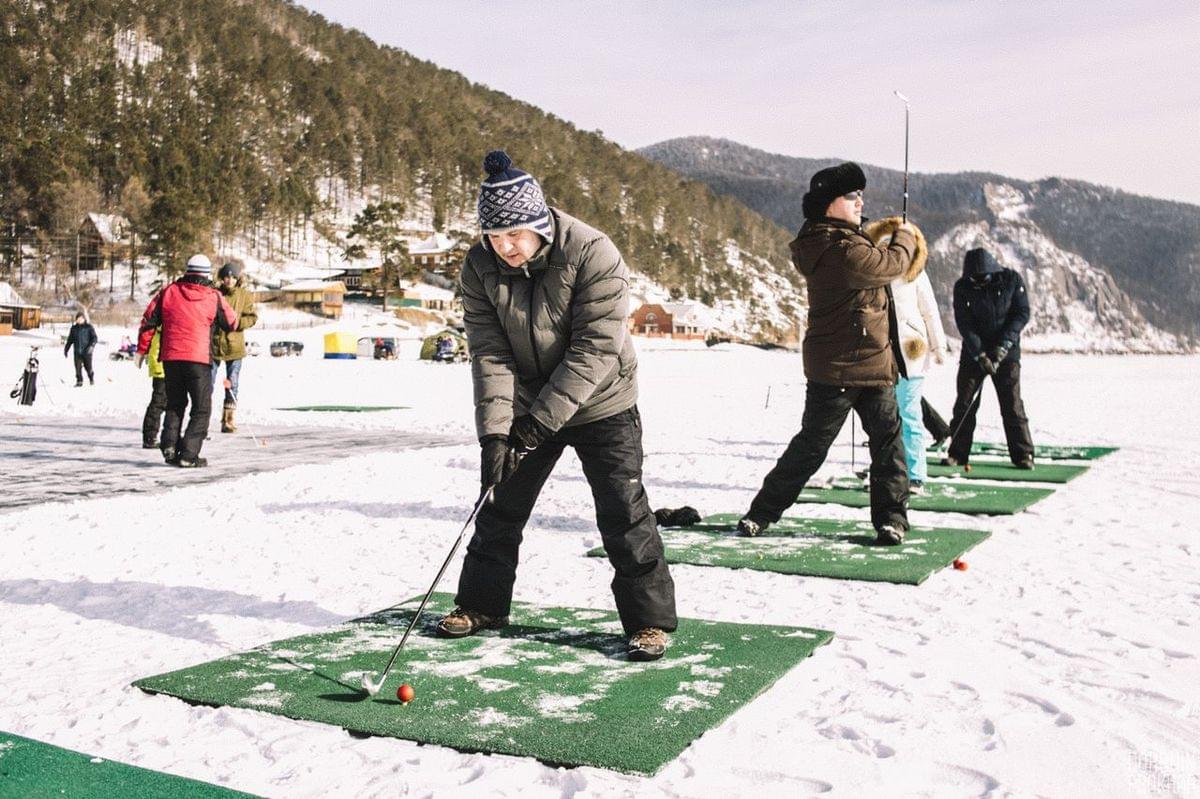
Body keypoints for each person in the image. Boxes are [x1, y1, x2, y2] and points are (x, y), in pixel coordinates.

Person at [437, 150, 677, 662]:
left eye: (516, 235)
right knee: (500, 502)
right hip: (526, 404)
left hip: (602, 401)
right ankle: (482, 604)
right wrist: (497, 434)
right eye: (495, 237)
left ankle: (649, 623)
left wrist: (536, 426)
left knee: (622, 510)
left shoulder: (593, 252)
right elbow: (490, 351)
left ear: (541, 225)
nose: (505, 248)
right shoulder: (480, 266)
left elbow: (595, 349)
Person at [736, 162, 917, 545]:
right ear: (829, 203)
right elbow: (892, 265)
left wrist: (879, 233)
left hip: (862, 362)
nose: (859, 201)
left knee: (878, 447)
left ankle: (891, 521)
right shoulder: (840, 249)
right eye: (851, 195)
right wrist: (904, 237)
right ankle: (761, 514)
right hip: (848, 366)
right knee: (817, 448)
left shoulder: (828, 240)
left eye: (860, 194)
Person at [864, 216, 947, 493]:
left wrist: (938, 346)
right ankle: (888, 470)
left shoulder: (915, 275)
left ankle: (915, 474)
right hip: (880, 353)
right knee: (884, 417)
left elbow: (930, 310)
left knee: (909, 414)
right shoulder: (871, 275)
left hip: (911, 353)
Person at [136, 254, 236, 467]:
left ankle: (170, 447)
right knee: (201, 408)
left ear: (187, 270)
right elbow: (231, 322)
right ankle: (188, 454)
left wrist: (142, 350)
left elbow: (148, 321)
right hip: (198, 359)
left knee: (175, 404)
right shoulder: (213, 296)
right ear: (207, 274)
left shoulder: (168, 292)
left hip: (171, 358)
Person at [945, 247, 1034, 468]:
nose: (979, 282)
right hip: (974, 354)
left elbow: (1021, 313)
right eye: (975, 279)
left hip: (1007, 353)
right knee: (965, 404)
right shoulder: (962, 287)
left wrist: (1003, 346)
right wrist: (980, 354)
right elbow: (964, 323)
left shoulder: (1011, 280)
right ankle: (957, 453)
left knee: (1012, 404)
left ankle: (1023, 454)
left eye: (983, 278)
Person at [211, 262, 258, 433]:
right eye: (226, 277)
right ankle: (202, 421)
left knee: (232, 383)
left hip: (235, 347)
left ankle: (228, 420)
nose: (229, 280)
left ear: (237, 279)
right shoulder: (214, 294)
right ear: (222, 278)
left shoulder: (244, 295)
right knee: (207, 383)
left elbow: (252, 317)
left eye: (232, 277)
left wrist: (238, 323)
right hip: (214, 346)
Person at [139, 328, 167, 449]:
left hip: (166, 362)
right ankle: (150, 435)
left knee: (166, 401)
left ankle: (162, 435)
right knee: (158, 401)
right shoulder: (160, 323)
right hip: (160, 363)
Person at [63, 312, 97, 387]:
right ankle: (79, 381)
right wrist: (66, 349)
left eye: (81, 318)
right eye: (78, 319)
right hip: (77, 351)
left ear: (83, 319)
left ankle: (91, 378)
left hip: (87, 352)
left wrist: (91, 346)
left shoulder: (89, 327)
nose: (79, 320)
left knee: (88, 367)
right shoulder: (74, 328)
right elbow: (70, 340)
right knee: (77, 367)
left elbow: (94, 338)